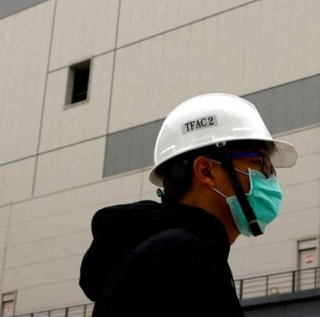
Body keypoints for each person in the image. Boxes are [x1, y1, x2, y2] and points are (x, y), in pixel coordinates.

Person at [79, 93, 298, 317]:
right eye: (260, 163)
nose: (270, 178)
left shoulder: (174, 252)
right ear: (206, 171)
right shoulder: (178, 256)